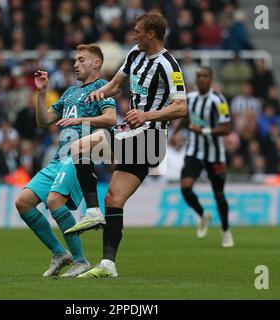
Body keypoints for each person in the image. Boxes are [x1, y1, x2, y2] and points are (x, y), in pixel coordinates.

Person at [64, 12, 188, 278]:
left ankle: (93, 211)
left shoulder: (169, 65)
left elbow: (181, 107)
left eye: (138, 31)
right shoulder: (134, 54)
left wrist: (147, 115)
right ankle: (108, 264)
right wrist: (100, 92)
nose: (134, 35)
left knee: (79, 147)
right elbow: (116, 85)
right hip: (133, 137)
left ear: (151, 34)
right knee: (115, 198)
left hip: (150, 138)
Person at [14, 44, 117, 277]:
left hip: (79, 157)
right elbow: (44, 121)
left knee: (54, 201)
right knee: (23, 202)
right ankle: (60, 253)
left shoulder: (102, 87)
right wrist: (41, 92)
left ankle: (81, 261)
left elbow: (111, 118)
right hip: (57, 159)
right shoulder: (69, 92)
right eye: (75, 60)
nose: (75, 64)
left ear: (96, 63)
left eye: (81, 59)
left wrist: (79, 120)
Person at [171, 67, 234, 247]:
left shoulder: (219, 100)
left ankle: (225, 230)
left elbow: (227, 128)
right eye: (199, 76)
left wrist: (204, 130)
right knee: (185, 188)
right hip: (194, 152)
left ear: (211, 78)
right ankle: (202, 215)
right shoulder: (190, 98)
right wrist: (175, 132)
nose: (201, 79)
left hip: (215, 156)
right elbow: (186, 117)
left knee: (219, 195)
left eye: (205, 76)